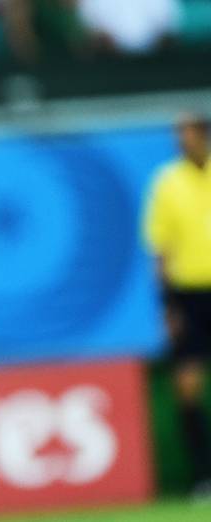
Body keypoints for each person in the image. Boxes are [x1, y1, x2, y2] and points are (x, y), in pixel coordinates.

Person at [143, 113, 211, 495]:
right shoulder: (168, 183)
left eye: (185, 132)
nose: (180, 140)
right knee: (188, 387)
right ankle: (202, 476)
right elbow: (161, 252)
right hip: (188, 296)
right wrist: (168, 307)